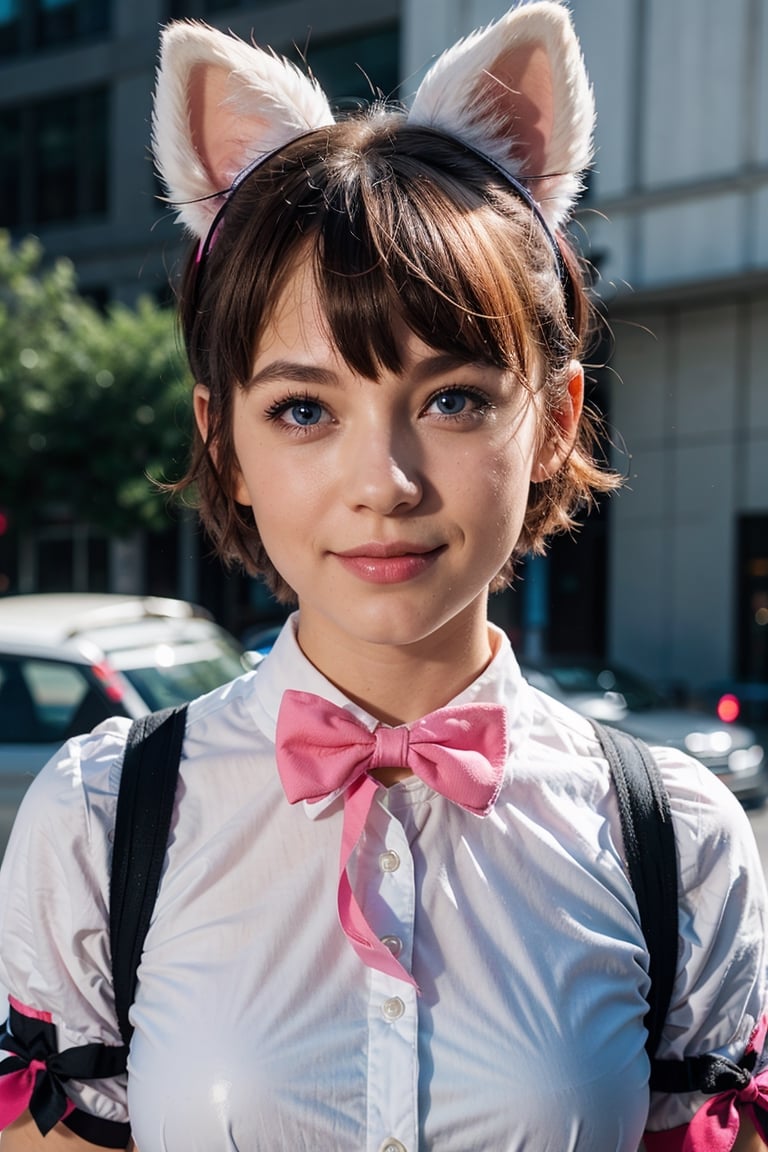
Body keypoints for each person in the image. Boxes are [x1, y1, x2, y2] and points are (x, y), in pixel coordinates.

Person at [1, 2, 767, 1149]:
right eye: (304, 409)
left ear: (555, 421)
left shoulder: (677, 839)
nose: (386, 481)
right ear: (224, 440)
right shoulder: (103, 821)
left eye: (453, 399)